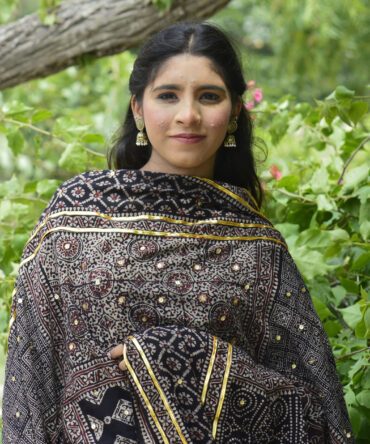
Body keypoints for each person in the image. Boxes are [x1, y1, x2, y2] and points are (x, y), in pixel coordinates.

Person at [2, 22, 353, 444]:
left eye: (209, 96)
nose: (189, 114)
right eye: (168, 95)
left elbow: (319, 418)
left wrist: (196, 357)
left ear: (235, 111)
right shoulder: (72, 215)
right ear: (138, 109)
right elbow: (30, 380)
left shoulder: (260, 247)